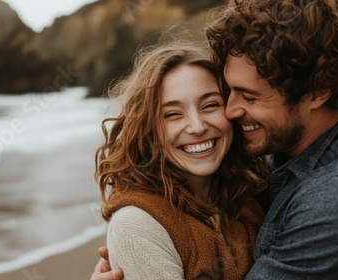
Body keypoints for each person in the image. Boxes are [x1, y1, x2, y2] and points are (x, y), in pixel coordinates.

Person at [91, 0, 338, 279]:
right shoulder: (285, 162)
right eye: (229, 93)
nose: (230, 111)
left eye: (248, 96)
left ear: (316, 92)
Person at [94, 42, 270, 279]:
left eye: (210, 105)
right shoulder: (136, 225)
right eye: (172, 114)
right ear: (147, 130)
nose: (197, 127)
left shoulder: (257, 191)